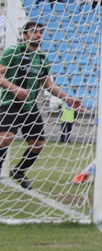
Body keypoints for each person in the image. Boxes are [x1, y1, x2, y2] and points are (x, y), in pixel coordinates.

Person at [0, 22, 83, 189]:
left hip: (30, 107)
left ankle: (19, 171)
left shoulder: (42, 57)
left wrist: (67, 98)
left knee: (38, 145)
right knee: (6, 138)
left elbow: (46, 83)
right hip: (10, 103)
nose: (38, 35)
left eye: (40, 32)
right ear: (25, 35)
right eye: (34, 32)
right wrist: (15, 89)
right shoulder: (13, 52)